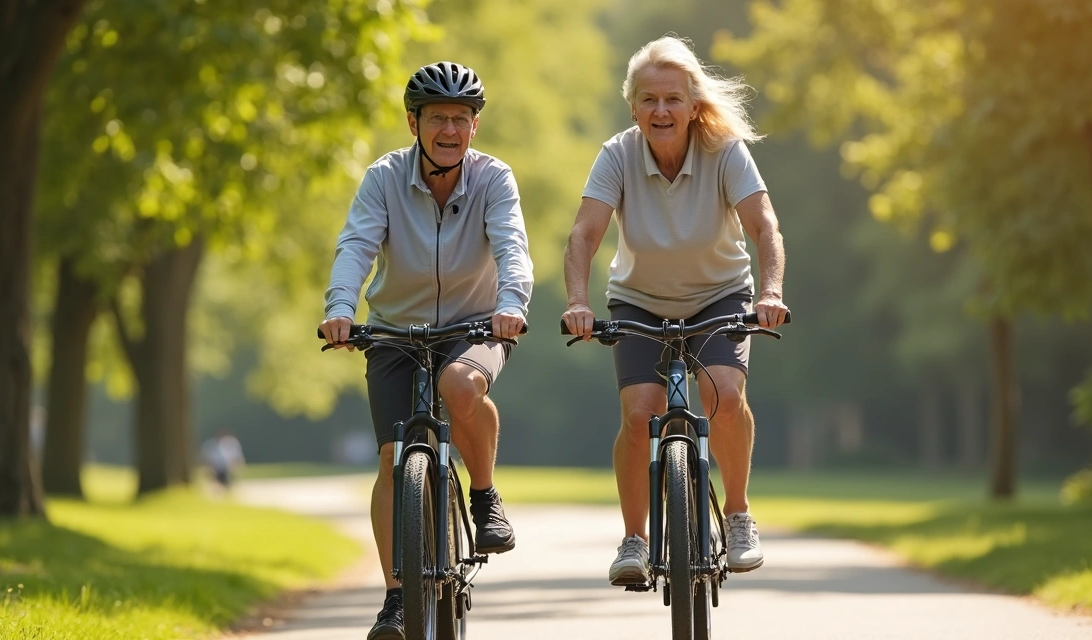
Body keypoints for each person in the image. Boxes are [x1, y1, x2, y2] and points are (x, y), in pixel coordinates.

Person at [561, 36, 789, 587]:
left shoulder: (725, 151)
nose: (660, 111)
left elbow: (764, 226)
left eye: (672, 100)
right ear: (633, 105)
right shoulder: (617, 154)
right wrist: (577, 302)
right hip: (640, 300)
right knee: (640, 413)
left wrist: (771, 292)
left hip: (719, 295)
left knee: (726, 398)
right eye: (648, 100)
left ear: (693, 105)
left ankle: (737, 515)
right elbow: (585, 233)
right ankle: (634, 538)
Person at [319, 61, 533, 640]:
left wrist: (512, 304)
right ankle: (395, 596)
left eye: (461, 119)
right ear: (414, 122)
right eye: (438, 117)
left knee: (460, 386)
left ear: (474, 127)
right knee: (392, 459)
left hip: (477, 325)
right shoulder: (384, 177)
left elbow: (512, 244)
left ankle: (484, 495)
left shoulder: (493, 178)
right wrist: (341, 308)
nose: (449, 130)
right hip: (394, 330)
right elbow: (356, 245)